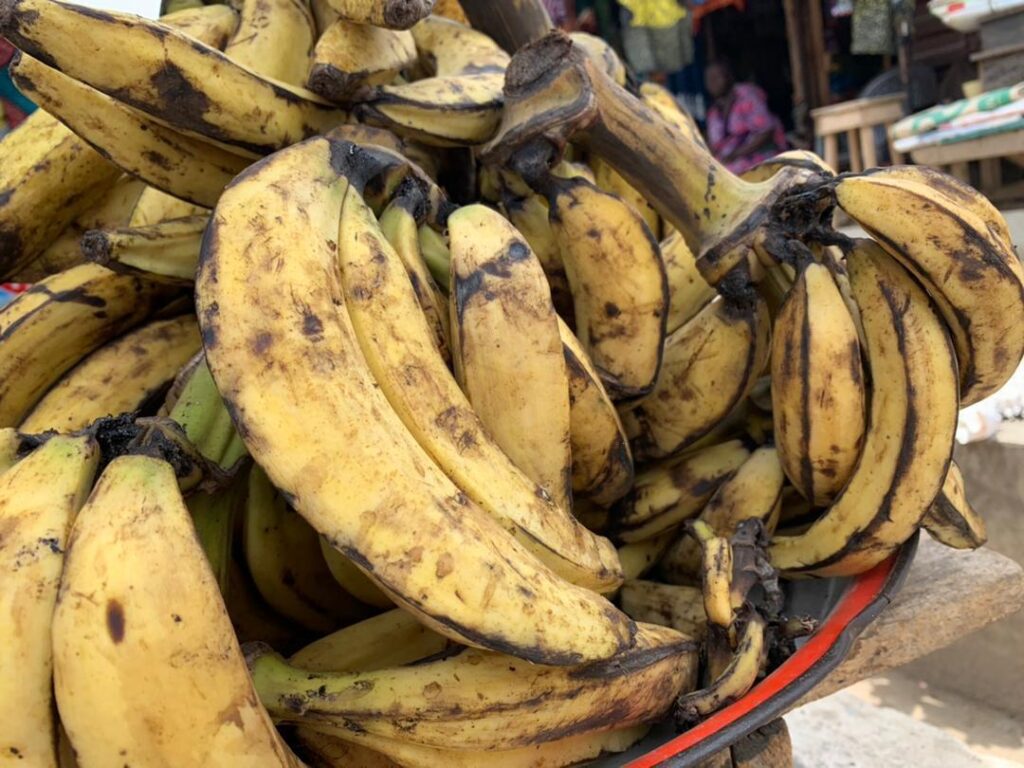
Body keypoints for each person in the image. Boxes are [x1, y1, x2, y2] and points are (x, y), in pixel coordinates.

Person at [705, 60, 788, 175]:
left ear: (728, 77)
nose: (712, 83)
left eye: (716, 77)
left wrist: (736, 154)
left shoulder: (747, 95)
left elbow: (767, 131)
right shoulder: (714, 111)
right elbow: (714, 145)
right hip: (729, 162)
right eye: (709, 79)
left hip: (758, 158)